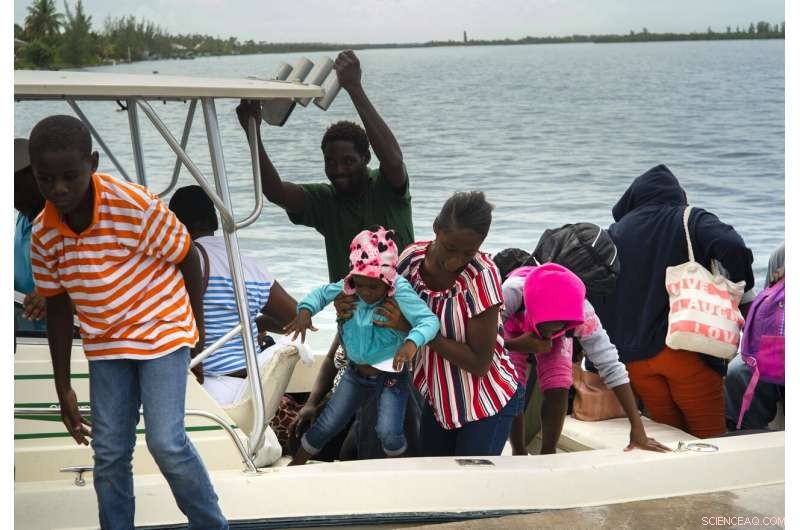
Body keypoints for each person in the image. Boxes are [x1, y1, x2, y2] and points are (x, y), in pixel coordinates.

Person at [28, 115, 227, 529]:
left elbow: (187, 256)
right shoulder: (44, 233)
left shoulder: (134, 205)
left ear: (92, 163)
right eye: (46, 179)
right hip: (106, 342)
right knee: (109, 452)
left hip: (162, 328)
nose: (59, 189)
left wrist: (198, 328)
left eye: (69, 176)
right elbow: (58, 308)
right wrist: (63, 386)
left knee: (165, 442)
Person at [236, 50, 417, 459]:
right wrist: (252, 130)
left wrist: (354, 88)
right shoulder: (326, 201)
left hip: (400, 322)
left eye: (348, 160)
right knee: (358, 433)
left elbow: (393, 157)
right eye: (331, 162)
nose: (338, 169)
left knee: (384, 429)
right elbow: (275, 192)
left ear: (364, 159)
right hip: (357, 326)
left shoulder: (387, 189)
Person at [594, 164, 754, 439]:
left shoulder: (614, 233)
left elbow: (599, 290)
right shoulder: (689, 218)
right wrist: (741, 287)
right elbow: (733, 246)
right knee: (709, 439)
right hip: (685, 349)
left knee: (671, 436)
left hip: (635, 361)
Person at [285, 227, 439, 464]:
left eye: (373, 287)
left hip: (390, 377)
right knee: (326, 424)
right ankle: (295, 466)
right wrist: (305, 311)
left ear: (387, 280)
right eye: (360, 284)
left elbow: (429, 321)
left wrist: (411, 342)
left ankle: (399, 468)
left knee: (388, 432)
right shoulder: (349, 289)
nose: (366, 292)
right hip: (354, 374)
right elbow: (321, 294)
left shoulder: (399, 292)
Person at [499, 247, 668, 455]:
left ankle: (548, 453)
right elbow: (487, 341)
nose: (551, 333)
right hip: (514, 326)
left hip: (560, 324)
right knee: (513, 385)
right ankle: (518, 451)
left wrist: (637, 427)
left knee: (559, 384)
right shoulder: (511, 293)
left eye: (559, 326)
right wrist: (515, 345)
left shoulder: (582, 313)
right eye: (549, 327)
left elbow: (610, 364)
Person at [392, 191, 523, 456]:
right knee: (435, 476)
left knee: (471, 480)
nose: (456, 260)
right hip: (440, 400)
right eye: (450, 248)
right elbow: (382, 298)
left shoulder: (481, 277)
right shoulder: (411, 260)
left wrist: (419, 332)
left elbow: (480, 363)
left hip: (485, 401)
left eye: (468, 252)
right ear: (436, 228)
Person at [168, 185, 298, 405]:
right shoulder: (248, 265)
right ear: (215, 222)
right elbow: (297, 319)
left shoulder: (178, 265)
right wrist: (256, 323)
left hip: (205, 389)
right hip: (253, 389)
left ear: (174, 224)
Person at [725, 242, 785, 431]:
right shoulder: (785, 252)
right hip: (779, 343)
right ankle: (750, 432)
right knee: (739, 372)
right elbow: (769, 309)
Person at [14, 137, 47, 334]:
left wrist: (53, 298)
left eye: (16, 187)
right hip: (22, 320)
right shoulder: (24, 215)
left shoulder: (64, 220)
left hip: (50, 331)